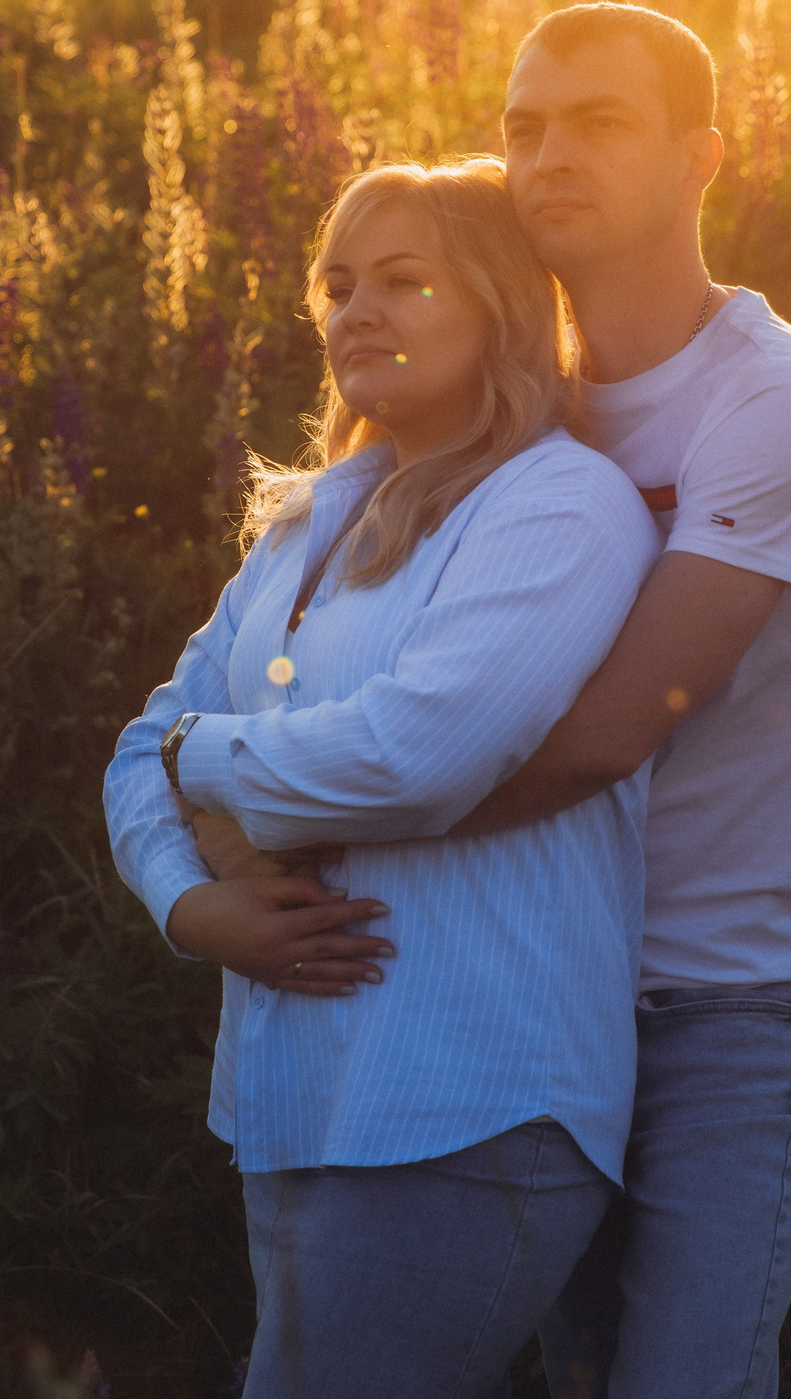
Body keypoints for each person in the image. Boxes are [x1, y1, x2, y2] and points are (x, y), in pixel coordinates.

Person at [197, 4, 791, 1397]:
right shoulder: (537, 415)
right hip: (537, 982)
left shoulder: (779, 402)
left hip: (734, 999)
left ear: (703, 155)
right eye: (523, 124)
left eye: (598, 121)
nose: (547, 154)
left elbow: (607, 730)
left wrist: (286, 826)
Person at [102, 156, 660, 1396]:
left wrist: (215, 762)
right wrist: (190, 905)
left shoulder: (562, 507)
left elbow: (417, 756)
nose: (359, 311)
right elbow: (140, 744)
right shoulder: (308, 523)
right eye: (339, 285)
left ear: (503, 310)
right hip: (295, 1096)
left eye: (405, 282)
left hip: (473, 1093)